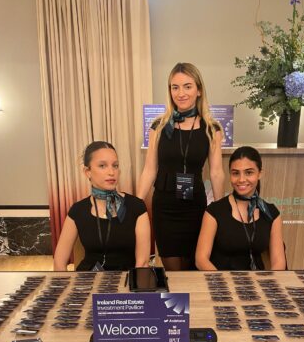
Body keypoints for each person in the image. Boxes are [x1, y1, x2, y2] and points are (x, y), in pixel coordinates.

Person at [137, 62, 225, 271]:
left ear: (199, 90)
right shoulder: (159, 126)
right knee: (173, 269)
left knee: (194, 266)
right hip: (165, 206)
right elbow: (149, 170)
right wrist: (136, 205)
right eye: (175, 87)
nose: (181, 93)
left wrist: (220, 211)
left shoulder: (212, 129)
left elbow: (216, 172)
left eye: (187, 86)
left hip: (194, 206)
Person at [54, 141, 151, 271]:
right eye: (102, 166)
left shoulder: (136, 207)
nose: (111, 172)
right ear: (87, 172)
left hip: (126, 279)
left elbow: (142, 263)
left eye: (115, 166)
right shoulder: (78, 210)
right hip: (88, 279)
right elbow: (59, 262)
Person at [195, 146, 286, 271]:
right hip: (220, 279)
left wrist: (268, 281)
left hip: (258, 279)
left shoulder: (271, 213)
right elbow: (201, 260)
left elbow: (279, 262)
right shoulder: (214, 211)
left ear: (260, 173)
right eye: (235, 173)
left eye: (249, 172)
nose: (241, 179)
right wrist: (222, 281)